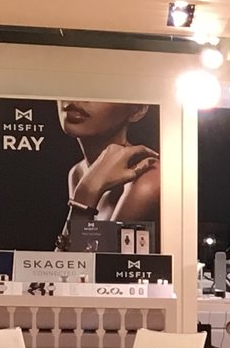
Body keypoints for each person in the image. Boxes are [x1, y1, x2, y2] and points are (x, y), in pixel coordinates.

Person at [55, 100, 160, 251]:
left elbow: (82, 268)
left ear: (138, 110)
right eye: (68, 84)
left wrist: (86, 193)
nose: (76, 99)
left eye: (97, 91)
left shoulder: (147, 180)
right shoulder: (79, 171)